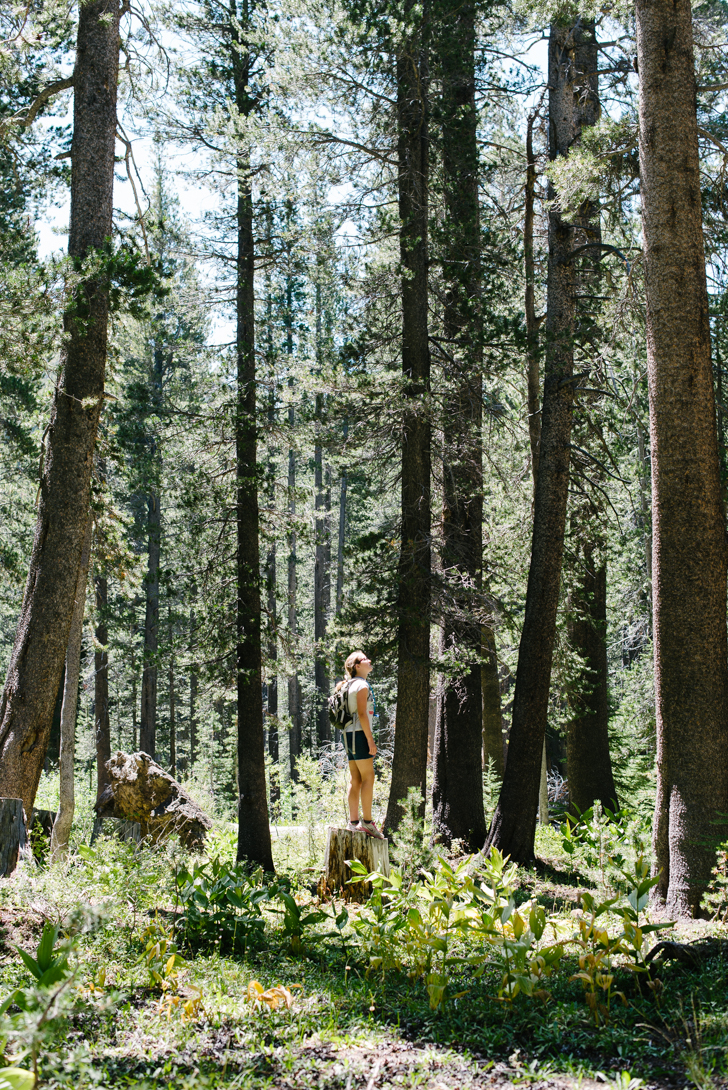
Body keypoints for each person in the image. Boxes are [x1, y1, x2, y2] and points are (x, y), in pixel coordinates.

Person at [337, 650, 384, 839]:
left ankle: (353, 822)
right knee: (369, 777)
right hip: (360, 735)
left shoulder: (347, 685)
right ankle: (367, 822)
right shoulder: (361, 685)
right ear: (357, 666)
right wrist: (370, 740)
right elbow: (363, 714)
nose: (369, 660)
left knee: (355, 779)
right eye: (365, 659)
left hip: (348, 736)